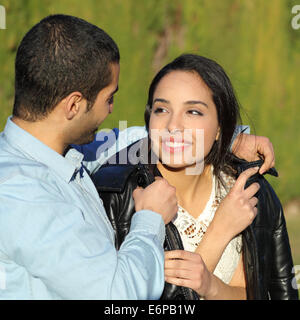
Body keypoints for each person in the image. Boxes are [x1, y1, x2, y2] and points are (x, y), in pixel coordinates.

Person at [0, 14, 275, 300]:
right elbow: (117, 295)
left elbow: (131, 139)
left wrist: (229, 137)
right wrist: (149, 218)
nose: (111, 111)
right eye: (109, 98)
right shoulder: (23, 194)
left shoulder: (56, 152)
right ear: (73, 105)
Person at [94, 54, 298, 300]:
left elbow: (268, 291)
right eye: (162, 109)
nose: (173, 126)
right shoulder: (117, 198)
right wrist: (220, 231)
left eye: (193, 111)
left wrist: (212, 287)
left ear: (221, 127)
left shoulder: (248, 190)